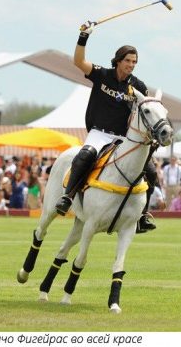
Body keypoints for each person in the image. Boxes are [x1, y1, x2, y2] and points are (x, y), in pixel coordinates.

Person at [54, 22, 158, 232]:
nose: (131, 65)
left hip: (123, 139)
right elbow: (78, 61)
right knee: (84, 156)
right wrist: (83, 36)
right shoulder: (102, 74)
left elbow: (146, 112)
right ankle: (68, 197)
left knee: (151, 171)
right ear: (118, 61)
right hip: (99, 133)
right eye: (128, 61)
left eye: (134, 62)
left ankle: (143, 215)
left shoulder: (138, 86)